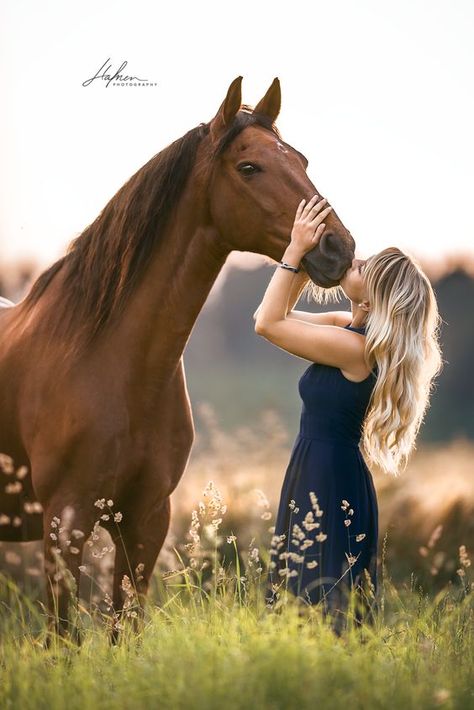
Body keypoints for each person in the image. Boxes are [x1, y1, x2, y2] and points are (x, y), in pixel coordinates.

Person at [253, 194, 443, 633]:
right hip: (319, 467)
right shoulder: (348, 329)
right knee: (306, 599)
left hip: (328, 475)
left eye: (364, 268)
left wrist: (296, 251)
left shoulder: (356, 351)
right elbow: (271, 312)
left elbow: (266, 324)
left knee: (318, 603)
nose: (356, 261)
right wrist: (305, 258)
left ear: (376, 300)